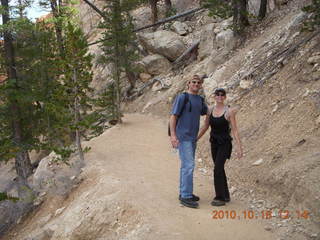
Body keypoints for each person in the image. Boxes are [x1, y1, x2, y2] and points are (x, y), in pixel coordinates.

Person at [197, 88, 243, 206]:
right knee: (219, 168)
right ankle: (226, 194)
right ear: (214, 96)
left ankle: (220, 197)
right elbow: (205, 126)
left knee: (217, 168)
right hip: (214, 143)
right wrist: (196, 138)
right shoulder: (210, 110)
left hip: (225, 143)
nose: (220, 97)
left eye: (222, 95)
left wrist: (239, 147)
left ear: (225, 97)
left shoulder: (229, 112)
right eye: (218, 94)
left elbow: (235, 130)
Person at [169, 74, 208, 208]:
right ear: (188, 84)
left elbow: (206, 112)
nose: (196, 84)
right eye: (193, 82)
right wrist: (173, 136)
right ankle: (186, 196)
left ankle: (185, 193)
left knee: (186, 166)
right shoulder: (182, 97)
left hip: (193, 138)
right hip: (183, 136)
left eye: (198, 83)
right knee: (189, 165)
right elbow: (173, 117)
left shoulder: (200, 100)